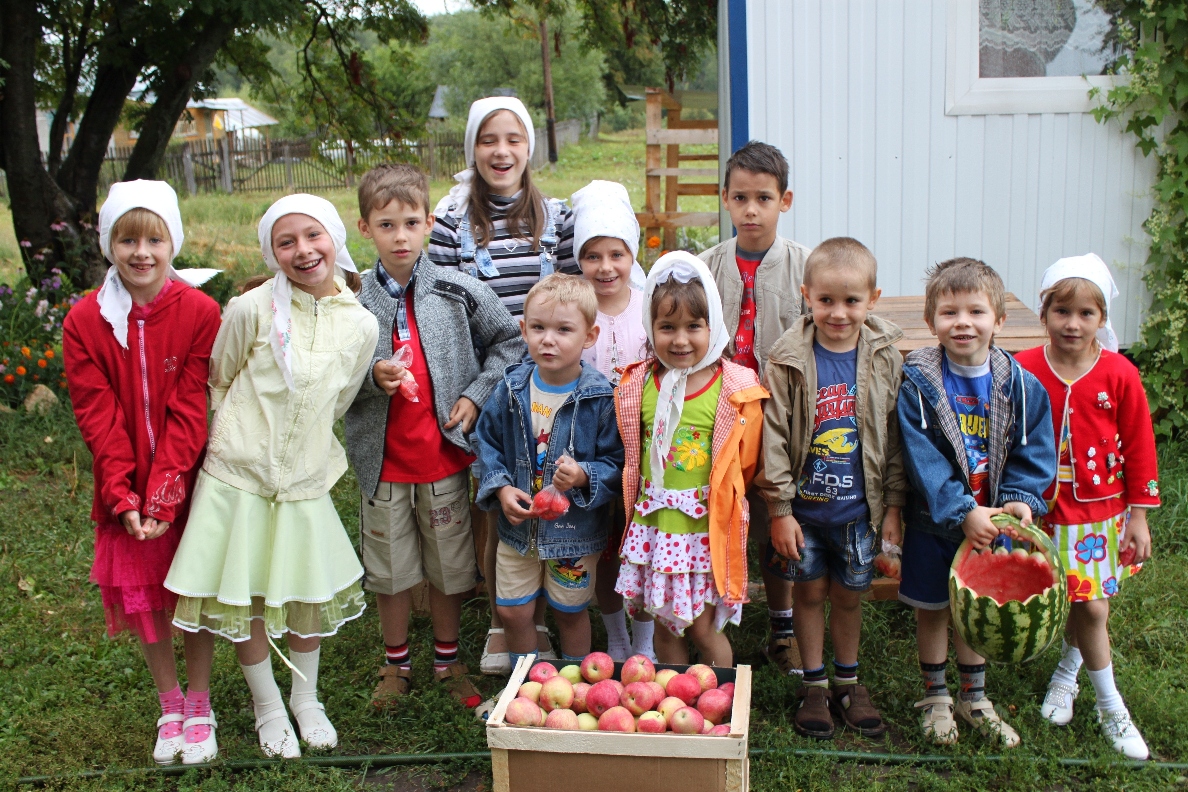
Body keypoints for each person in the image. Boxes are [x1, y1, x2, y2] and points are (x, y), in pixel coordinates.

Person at [164, 194, 379, 760]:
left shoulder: (361, 324)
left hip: (305, 479)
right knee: (250, 596)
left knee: (305, 593)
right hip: (239, 477)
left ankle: (306, 700)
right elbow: (220, 377)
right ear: (272, 253)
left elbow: (342, 397)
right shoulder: (251, 309)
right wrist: (244, 443)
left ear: (335, 238)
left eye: (313, 236)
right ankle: (268, 707)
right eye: (287, 242)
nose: (303, 251)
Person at [344, 163, 523, 710]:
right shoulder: (351, 306)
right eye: (386, 225)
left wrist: (474, 394)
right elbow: (331, 376)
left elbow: (510, 344)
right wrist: (371, 380)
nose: (400, 236)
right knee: (390, 571)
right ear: (364, 228)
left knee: (450, 567)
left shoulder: (458, 291)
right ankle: (395, 665)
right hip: (383, 466)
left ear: (428, 225)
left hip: (444, 459)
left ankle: (448, 661)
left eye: (411, 223)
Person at [62, 180, 221, 766]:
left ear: (172, 242)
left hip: (189, 480)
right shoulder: (84, 322)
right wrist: (125, 494)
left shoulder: (202, 312)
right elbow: (96, 414)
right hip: (122, 489)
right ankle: (170, 701)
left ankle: (201, 702)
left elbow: (189, 408)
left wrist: (166, 493)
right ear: (110, 244)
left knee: (193, 592)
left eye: (155, 238)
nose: (141, 253)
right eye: (127, 239)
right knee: (144, 597)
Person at [429, 96, 579, 672]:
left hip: (551, 379)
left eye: (514, 139)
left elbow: (571, 296)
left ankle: (548, 613)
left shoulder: (556, 220)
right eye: (489, 139)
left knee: (549, 490)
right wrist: (471, 389)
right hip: (486, 385)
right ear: (472, 148)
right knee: (496, 502)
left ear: (529, 148)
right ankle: (503, 620)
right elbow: (445, 313)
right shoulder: (449, 226)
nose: (501, 151)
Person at [896, 258, 1056, 748]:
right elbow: (921, 456)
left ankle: (974, 696)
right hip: (938, 519)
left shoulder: (1023, 386)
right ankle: (936, 696)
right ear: (931, 322)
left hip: (995, 521)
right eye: (949, 312)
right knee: (934, 609)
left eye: (976, 311)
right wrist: (962, 510)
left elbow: (1034, 449)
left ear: (999, 321)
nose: (963, 322)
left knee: (977, 605)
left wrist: (1021, 500)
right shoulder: (919, 384)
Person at [757, 238, 905, 739]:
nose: (838, 313)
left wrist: (893, 506)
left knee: (848, 595)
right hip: (803, 512)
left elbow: (894, 434)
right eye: (826, 301)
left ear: (873, 298)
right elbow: (773, 435)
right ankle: (814, 685)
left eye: (851, 301)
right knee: (809, 590)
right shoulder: (788, 357)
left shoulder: (884, 356)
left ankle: (849, 680)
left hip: (859, 510)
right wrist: (779, 508)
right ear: (807, 295)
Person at [1015, 254, 1158, 760]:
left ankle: (1109, 706)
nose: (1072, 324)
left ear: (1102, 319)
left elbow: (1141, 445)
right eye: (1062, 312)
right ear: (1044, 312)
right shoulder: (1024, 368)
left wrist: (1138, 515)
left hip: (1098, 514)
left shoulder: (1119, 374)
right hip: (1038, 508)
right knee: (1068, 602)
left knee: (1092, 606)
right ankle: (1065, 672)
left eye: (1085, 314)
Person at [615, 252, 769, 667]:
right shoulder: (641, 383)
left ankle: (724, 698)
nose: (680, 340)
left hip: (702, 531)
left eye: (693, 327)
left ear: (713, 325)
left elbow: (748, 460)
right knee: (666, 623)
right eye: (667, 327)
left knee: (702, 626)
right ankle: (675, 700)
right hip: (656, 527)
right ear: (651, 328)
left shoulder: (731, 387)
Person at [473, 273, 624, 671]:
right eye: (538, 328)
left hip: (573, 535)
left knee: (571, 611)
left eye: (563, 330)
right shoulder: (511, 388)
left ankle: (574, 683)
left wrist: (585, 475)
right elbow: (485, 441)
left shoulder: (601, 398)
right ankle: (528, 683)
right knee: (514, 613)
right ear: (523, 330)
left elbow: (618, 463)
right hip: (517, 530)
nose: (548, 339)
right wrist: (501, 489)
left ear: (589, 336)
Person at [699, 140, 811, 675]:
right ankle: (708, 620)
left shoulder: (806, 269)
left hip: (780, 421)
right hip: (717, 418)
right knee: (717, 516)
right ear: (725, 198)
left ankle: (783, 626)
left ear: (784, 201)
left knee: (775, 521)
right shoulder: (704, 267)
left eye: (763, 198)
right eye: (740, 197)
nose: (750, 209)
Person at [570, 179, 655, 662]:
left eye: (616, 254)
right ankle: (615, 636)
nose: (605, 267)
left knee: (639, 543)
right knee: (603, 546)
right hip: (590, 451)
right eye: (593, 255)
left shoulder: (648, 306)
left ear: (631, 255)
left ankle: (644, 641)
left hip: (644, 452)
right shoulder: (575, 310)